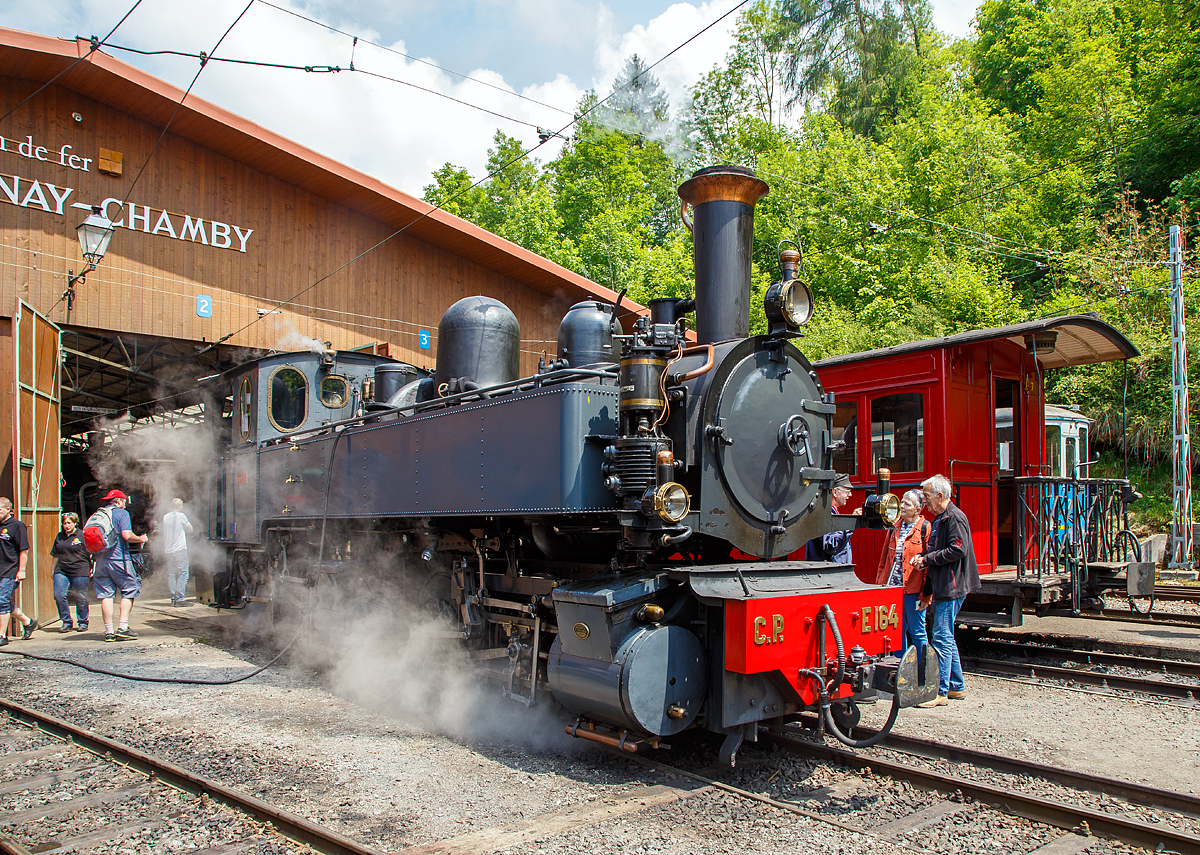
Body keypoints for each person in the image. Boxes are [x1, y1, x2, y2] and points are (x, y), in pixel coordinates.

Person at [910, 474, 981, 707]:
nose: (924, 501)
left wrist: (926, 559)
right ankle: (956, 687)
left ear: (941, 496)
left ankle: (939, 692)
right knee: (946, 637)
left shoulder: (953, 518)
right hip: (945, 586)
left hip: (952, 586)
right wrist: (927, 591)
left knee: (941, 638)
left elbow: (958, 550)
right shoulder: (942, 518)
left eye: (927, 496)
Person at [873, 489, 931, 659]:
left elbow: (929, 566)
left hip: (913, 590)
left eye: (907, 504)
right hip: (893, 588)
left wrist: (926, 596)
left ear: (918, 509)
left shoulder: (925, 528)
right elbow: (884, 559)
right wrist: (880, 585)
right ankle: (899, 668)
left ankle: (922, 670)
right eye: (902, 502)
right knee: (897, 632)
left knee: (918, 632)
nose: (902, 506)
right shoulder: (894, 527)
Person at [92, 489, 149, 642]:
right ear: (118, 501)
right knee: (129, 589)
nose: (125, 504)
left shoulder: (98, 514)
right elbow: (127, 536)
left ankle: (109, 632)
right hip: (119, 559)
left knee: (106, 595)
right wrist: (141, 539)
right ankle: (123, 628)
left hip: (101, 560)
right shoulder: (121, 514)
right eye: (124, 501)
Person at [0, 497, 36, 645]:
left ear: (8, 509)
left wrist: (21, 570)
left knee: (2, 601)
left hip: (10, 570)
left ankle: (2, 636)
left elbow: (23, 550)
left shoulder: (17, 526)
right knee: (3, 601)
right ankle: (28, 622)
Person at [804, 473, 859, 563]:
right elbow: (832, 546)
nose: (850, 495)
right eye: (847, 491)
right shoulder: (823, 514)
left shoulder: (829, 512)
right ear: (835, 492)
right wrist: (850, 525)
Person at [51, 513, 92, 632]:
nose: (66, 526)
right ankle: (66, 621)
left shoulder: (82, 535)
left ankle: (83, 621)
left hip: (80, 568)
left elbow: (92, 552)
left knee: (80, 596)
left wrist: (92, 566)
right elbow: (55, 554)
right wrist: (53, 570)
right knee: (58, 595)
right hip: (62, 569)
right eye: (64, 523)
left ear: (75, 523)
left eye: (69, 523)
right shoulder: (60, 536)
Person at [162, 498, 194, 606]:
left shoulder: (165, 517)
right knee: (183, 573)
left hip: (168, 550)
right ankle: (180, 598)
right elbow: (190, 529)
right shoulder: (181, 516)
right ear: (180, 506)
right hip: (179, 549)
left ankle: (173, 598)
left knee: (172, 574)